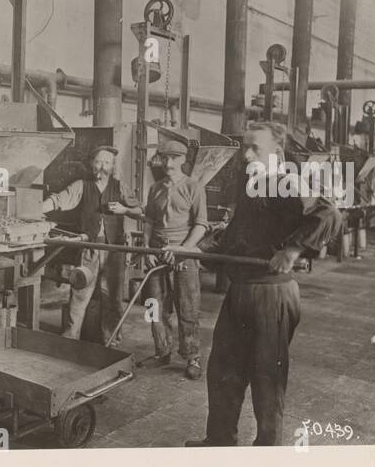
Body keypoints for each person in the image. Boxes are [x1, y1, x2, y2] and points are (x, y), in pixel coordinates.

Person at [187, 120, 343, 447]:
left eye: (254, 148)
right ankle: (219, 443)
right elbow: (232, 246)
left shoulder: (287, 182)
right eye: (245, 147)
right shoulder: (253, 188)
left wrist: (292, 248)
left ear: (277, 152)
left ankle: (267, 458)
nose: (246, 155)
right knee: (223, 373)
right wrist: (190, 252)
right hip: (241, 292)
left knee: (266, 382)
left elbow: (330, 215)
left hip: (271, 295)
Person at [41, 145, 138, 340]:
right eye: (98, 161)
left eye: (107, 162)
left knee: (113, 298)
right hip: (89, 249)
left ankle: (111, 340)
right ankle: (70, 338)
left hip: (114, 250)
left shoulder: (120, 187)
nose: (102, 166)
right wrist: (35, 209)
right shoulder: (81, 185)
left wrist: (124, 210)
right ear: (91, 163)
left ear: (112, 166)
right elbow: (59, 199)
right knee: (79, 296)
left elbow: (140, 211)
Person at [141, 138, 208, 379]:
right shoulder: (155, 188)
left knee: (188, 307)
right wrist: (147, 248)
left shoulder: (193, 187)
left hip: (184, 255)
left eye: (173, 158)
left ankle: (192, 357)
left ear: (183, 160)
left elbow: (201, 226)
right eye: (164, 158)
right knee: (154, 306)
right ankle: (162, 351)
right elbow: (149, 221)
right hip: (157, 254)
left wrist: (183, 250)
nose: (168, 163)